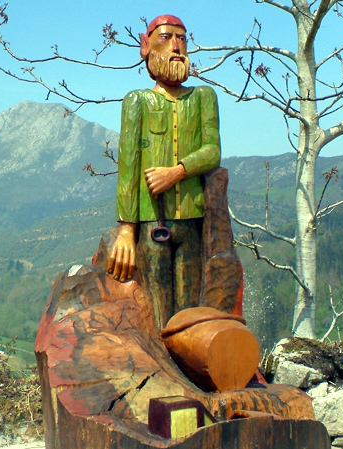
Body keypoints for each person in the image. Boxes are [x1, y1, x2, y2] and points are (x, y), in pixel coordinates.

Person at [106, 14, 221, 330]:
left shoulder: (203, 98)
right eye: (167, 37)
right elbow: (128, 170)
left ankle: (188, 369)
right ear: (146, 47)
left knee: (189, 313)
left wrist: (177, 173)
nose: (176, 47)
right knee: (158, 312)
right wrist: (126, 232)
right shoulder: (137, 101)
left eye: (182, 39)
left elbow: (213, 151)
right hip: (150, 222)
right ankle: (163, 366)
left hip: (192, 223)